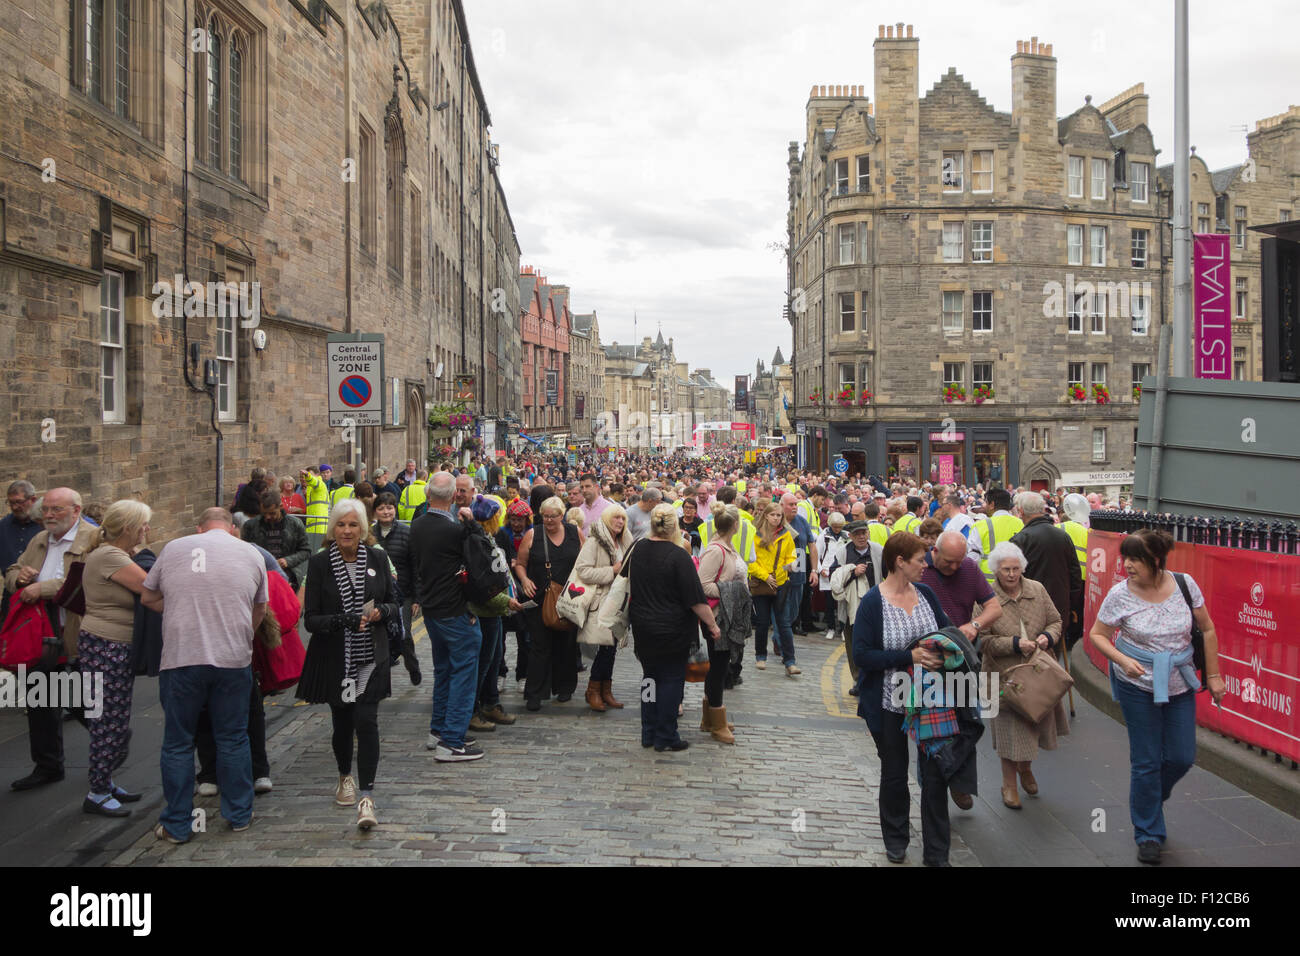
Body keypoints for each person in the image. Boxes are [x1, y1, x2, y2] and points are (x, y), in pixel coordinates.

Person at [1089, 528, 1225, 865]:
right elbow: (1098, 634)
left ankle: (1148, 798)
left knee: (1181, 757)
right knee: (1147, 761)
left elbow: (1207, 629)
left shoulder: (1184, 584)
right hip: (1138, 686)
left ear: (1157, 560)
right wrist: (1122, 660)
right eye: (1126, 558)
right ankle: (1148, 832)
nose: (1129, 565)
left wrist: (1213, 674)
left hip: (1179, 682)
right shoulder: (1120, 594)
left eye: (1136, 559)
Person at [141, 508, 267, 842]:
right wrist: (243, 634)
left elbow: (148, 595)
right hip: (231, 658)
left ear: (199, 528)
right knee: (233, 737)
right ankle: (239, 814)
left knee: (179, 743)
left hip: (182, 658)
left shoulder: (174, 549)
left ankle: (177, 824)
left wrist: (183, 606)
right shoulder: (250, 553)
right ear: (232, 530)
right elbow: (260, 607)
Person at [852, 532, 956, 866]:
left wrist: (945, 649)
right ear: (900, 562)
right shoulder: (873, 602)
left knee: (935, 774)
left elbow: (947, 630)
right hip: (888, 698)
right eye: (919, 559)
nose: (925, 565)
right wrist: (908, 657)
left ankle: (937, 851)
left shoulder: (925, 593)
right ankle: (896, 838)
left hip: (929, 697)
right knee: (895, 773)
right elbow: (863, 655)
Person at [297, 500, 399, 829]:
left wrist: (381, 612)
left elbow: (393, 603)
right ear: (332, 529)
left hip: (371, 657)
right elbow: (310, 619)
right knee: (343, 723)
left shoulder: (378, 558)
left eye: (353, 525)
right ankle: (345, 776)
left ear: (362, 529)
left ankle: (367, 796)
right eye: (341, 524)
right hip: (337, 659)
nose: (347, 530)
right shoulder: (320, 563)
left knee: (367, 721)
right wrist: (345, 620)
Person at [4, 487, 96, 791]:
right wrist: (18, 578)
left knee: (82, 699)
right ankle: (47, 766)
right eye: (45, 510)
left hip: (76, 630)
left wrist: (40, 588)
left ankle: (112, 745)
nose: (48, 515)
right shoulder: (40, 539)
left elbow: (85, 580)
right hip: (40, 635)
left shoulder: (92, 538)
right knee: (41, 701)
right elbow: (13, 569)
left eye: (56, 509)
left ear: (76, 510)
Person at [622, 505, 719, 751]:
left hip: (643, 626)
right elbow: (696, 599)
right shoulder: (678, 556)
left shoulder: (638, 549)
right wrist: (712, 624)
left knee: (649, 678)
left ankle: (648, 730)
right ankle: (666, 734)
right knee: (671, 680)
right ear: (674, 527)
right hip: (672, 628)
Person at [978, 542, 1067, 809]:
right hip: (1001, 675)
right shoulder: (984, 596)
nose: (1011, 574)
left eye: (1016, 569)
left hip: (1039, 674)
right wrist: (1015, 644)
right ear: (995, 570)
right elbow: (982, 639)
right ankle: (1009, 785)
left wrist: (1047, 637)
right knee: (1008, 732)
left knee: (1033, 727)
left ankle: (1025, 767)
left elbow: (1056, 620)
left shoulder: (1037, 590)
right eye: (1006, 569)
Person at [76, 499, 152, 816]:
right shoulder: (110, 556)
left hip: (109, 643)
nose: (147, 530)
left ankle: (104, 782)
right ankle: (96, 792)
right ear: (130, 528)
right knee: (107, 720)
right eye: (144, 524)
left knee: (113, 718)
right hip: (105, 645)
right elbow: (151, 587)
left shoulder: (118, 555)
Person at [410, 473, 484, 762]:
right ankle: (452, 741)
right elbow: (481, 552)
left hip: (432, 608)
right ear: (454, 497)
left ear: (428, 495)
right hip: (454, 609)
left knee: (443, 669)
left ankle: (439, 730)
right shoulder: (456, 530)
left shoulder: (416, 526)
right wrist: (472, 524)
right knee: (464, 670)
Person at [515, 495, 582, 712]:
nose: (549, 521)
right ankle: (535, 693)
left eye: (553, 516)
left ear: (562, 515)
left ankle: (564, 687)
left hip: (569, 599)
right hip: (540, 598)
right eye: (545, 517)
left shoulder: (574, 533)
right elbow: (520, 564)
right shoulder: (532, 535)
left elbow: (587, 561)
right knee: (539, 646)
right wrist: (524, 580)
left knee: (567, 644)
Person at [574, 504, 633, 711]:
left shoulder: (625, 541)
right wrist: (612, 571)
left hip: (618, 603)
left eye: (623, 518)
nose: (620, 522)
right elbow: (583, 570)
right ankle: (593, 690)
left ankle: (606, 690)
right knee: (604, 649)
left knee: (611, 649)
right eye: (616, 518)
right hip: (600, 602)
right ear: (607, 519)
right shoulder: (594, 542)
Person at [696, 506, 746, 743]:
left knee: (720, 666)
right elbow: (702, 584)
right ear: (734, 525)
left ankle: (711, 718)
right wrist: (732, 590)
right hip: (716, 615)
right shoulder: (716, 551)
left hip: (727, 614)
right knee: (718, 668)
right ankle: (716, 721)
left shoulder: (728, 547)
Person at [1009, 492, 1082, 643]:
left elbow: (1010, 579)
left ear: (1021, 511)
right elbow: (1075, 574)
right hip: (1059, 605)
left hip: (1029, 609)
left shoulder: (1020, 540)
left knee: (1033, 658)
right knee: (1052, 657)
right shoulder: (1063, 536)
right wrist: (1071, 604)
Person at [372, 492, 421, 684]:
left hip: (403, 593)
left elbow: (416, 566)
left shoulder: (406, 532)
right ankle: (380, 678)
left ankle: (412, 666)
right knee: (377, 638)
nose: (386, 512)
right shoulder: (369, 535)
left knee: (405, 634)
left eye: (389, 507)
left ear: (395, 509)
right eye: (381, 508)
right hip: (376, 594)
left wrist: (417, 598)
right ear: (375, 511)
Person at [748, 500, 798, 675]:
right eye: (773, 515)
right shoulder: (755, 534)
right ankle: (760, 656)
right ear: (766, 516)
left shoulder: (786, 535)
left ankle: (790, 661)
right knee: (762, 622)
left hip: (781, 582)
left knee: (784, 623)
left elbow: (791, 555)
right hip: (762, 583)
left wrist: (791, 565)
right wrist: (765, 576)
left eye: (779, 515)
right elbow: (750, 561)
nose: (776, 518)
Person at [241, 490, 311, 589]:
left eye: (272, 513)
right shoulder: (251, 526)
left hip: (288, 577)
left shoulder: (295, 524)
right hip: (260, 577)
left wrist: (288, 561)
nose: (268, 517)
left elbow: (306, 551)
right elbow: (244, 553)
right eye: (264, 513)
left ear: (281, 506)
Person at [1, 480, 41, 622]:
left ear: (33, 499)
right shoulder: (3, 526)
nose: (14, 507)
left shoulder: (46, 524)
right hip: (11, 595)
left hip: (41, 596)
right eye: (11, 503)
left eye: (19, 502)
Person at [969, 488, 1023, 585]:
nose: (984, 506)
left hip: (988, 585)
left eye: (986, 502)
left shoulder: (980, 526)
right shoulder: (1021, 524)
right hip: (1015, 583)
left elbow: (972, 558)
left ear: (992, 504)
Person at [815, 511, 849, 639]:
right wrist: (820, 569)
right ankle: (831, 627)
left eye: (839, 527)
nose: (837, 529)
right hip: (827, 572)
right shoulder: (823, 536)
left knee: (842, 602)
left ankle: (842, 628)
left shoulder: (846, 536)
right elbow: (817, 554)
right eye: (835, 527)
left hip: (841, 573)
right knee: (829, 602)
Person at [300, 466, 331, 552]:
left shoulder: (320, 484)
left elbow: (315, 482)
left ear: (317, 475)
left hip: (319, 527)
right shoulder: (310, 488)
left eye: (310, 474)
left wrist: (307, 475)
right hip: (313, 526)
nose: (306, 477)